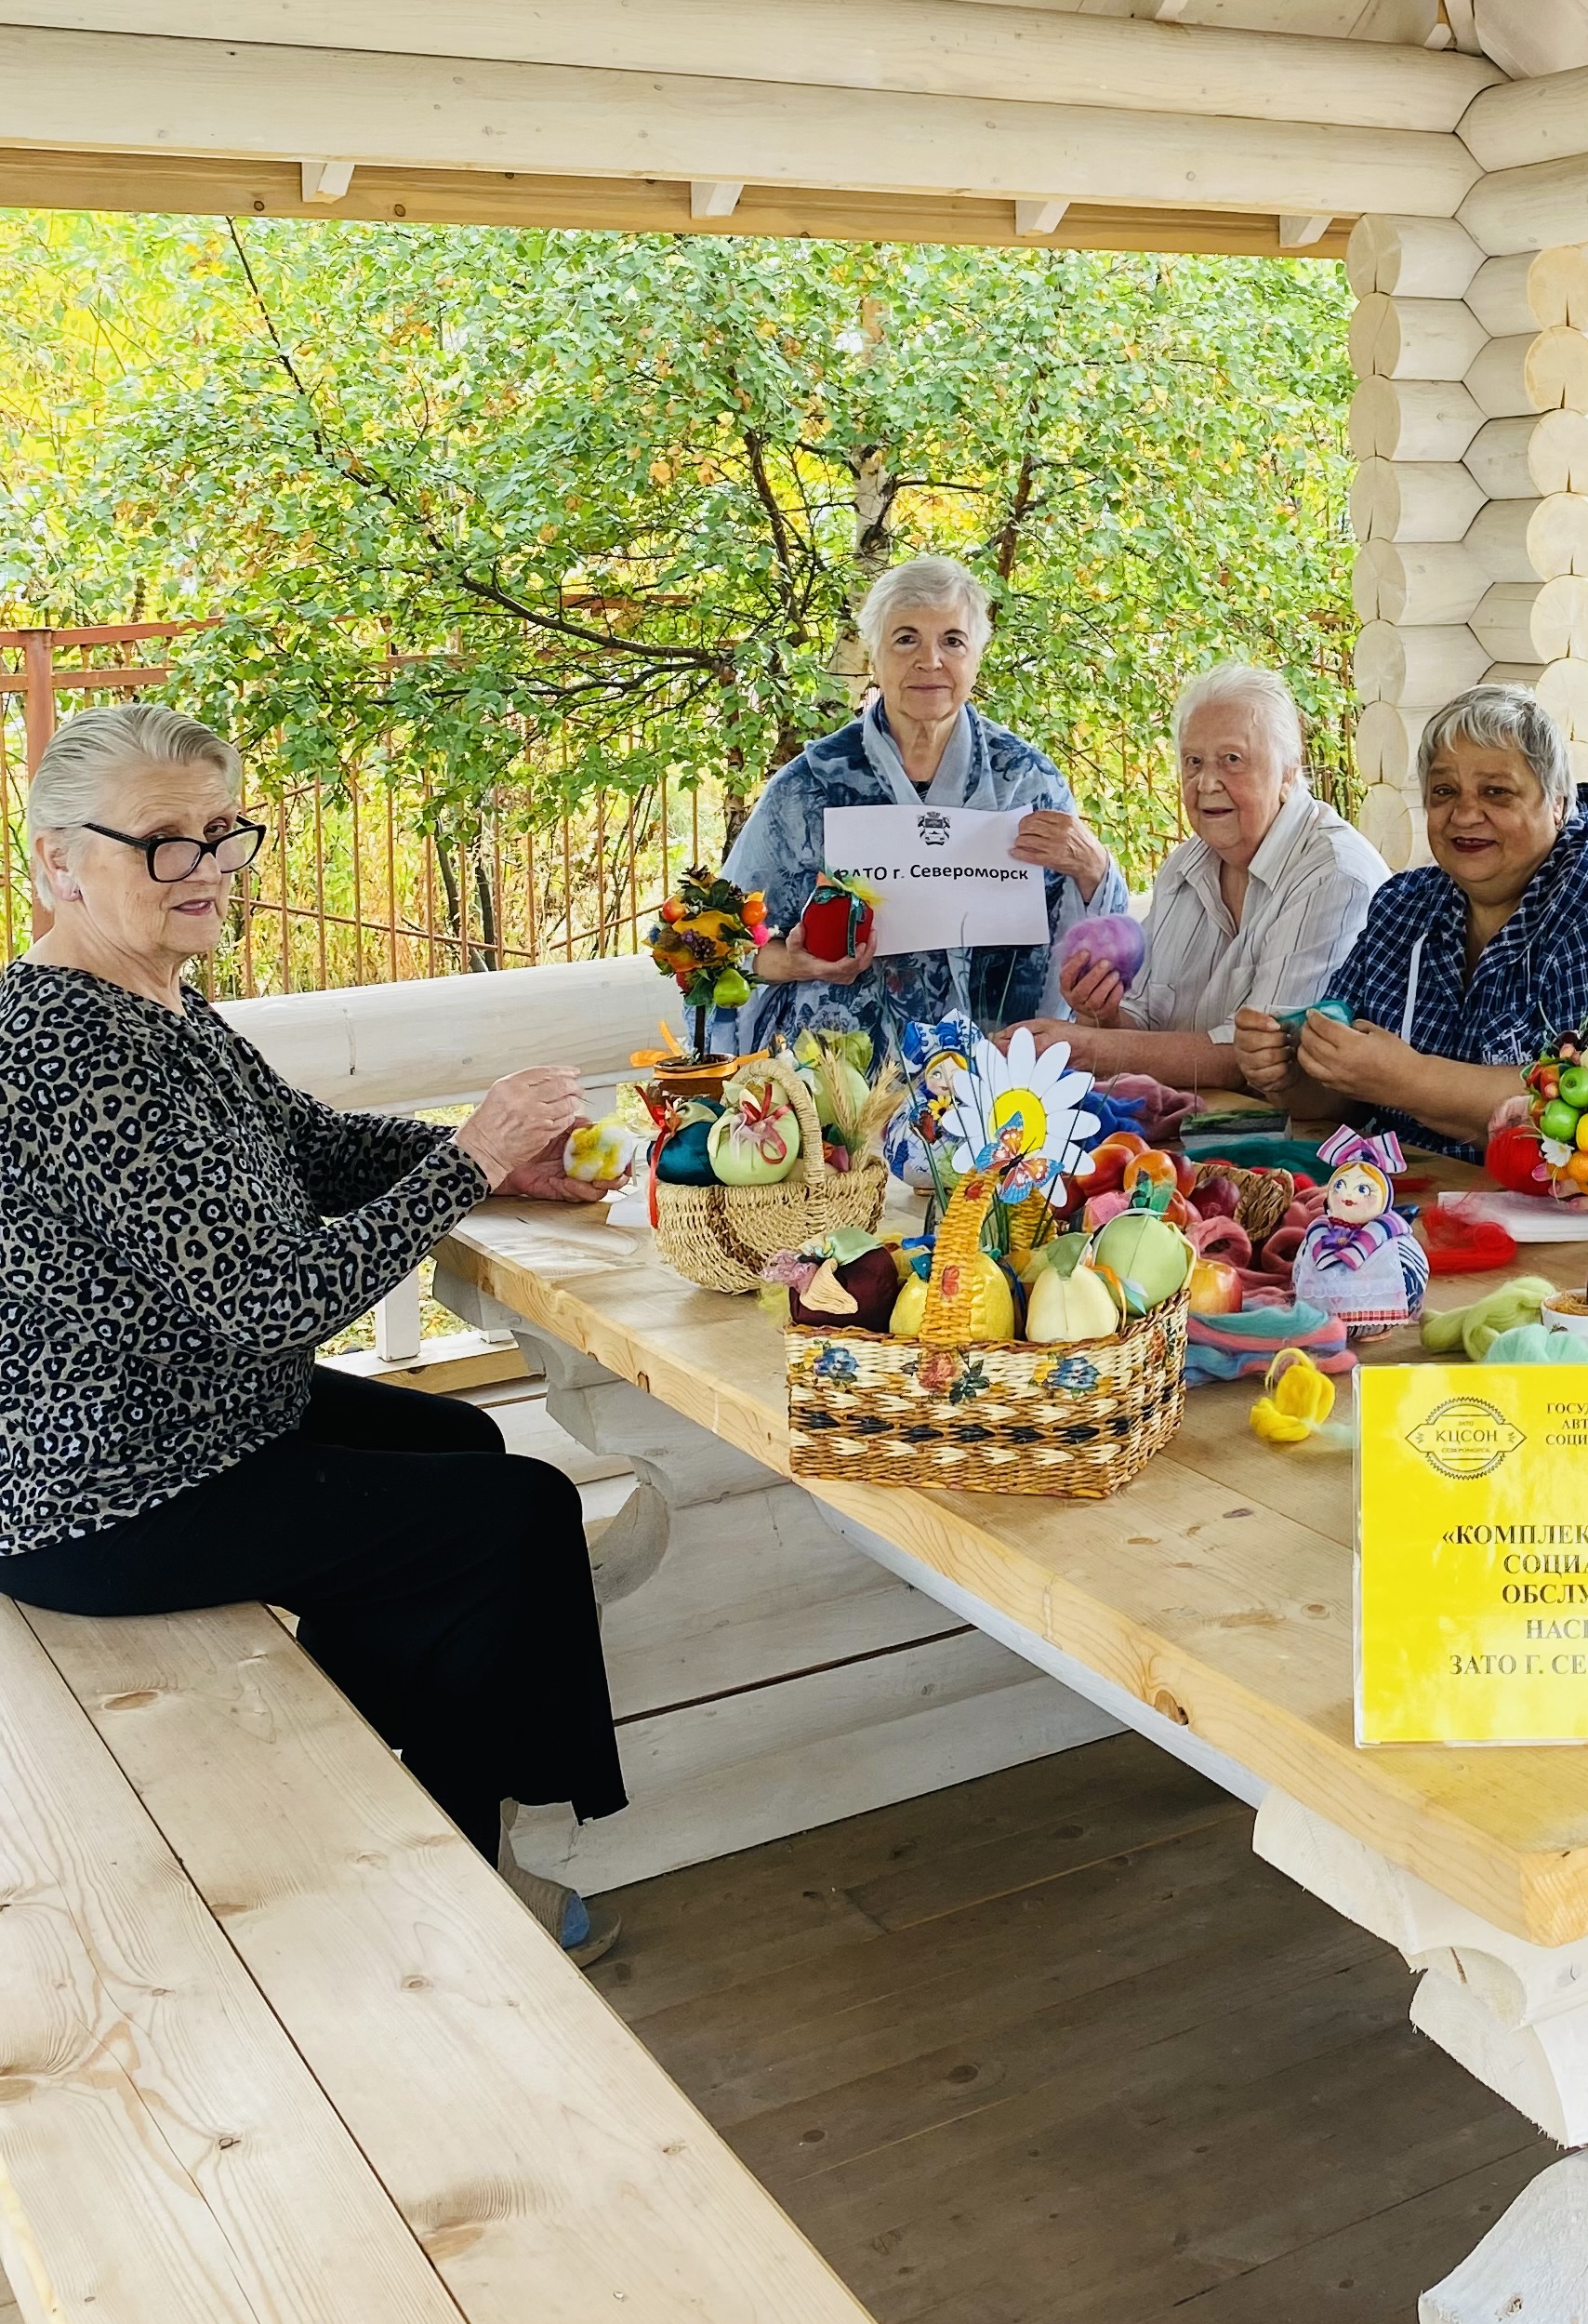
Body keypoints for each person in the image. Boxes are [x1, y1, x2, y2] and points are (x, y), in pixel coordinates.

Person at [0, 705, 629, 1964]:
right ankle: (451, 1871)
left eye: (223, 833)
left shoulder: (151, 1001)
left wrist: (505, 1170)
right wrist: (465, 1159)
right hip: (103, 1494)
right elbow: (270, 1302)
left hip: (205, 1416)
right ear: (58, 863)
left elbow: (312, 1142)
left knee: (461, 1446)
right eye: (165, 842)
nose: (211, 868)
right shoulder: (69, 1049)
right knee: (499, 1522)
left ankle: (417, 1792)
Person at [1235, 685, 1588, 1160]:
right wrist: (1291, 1072)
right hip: (1393, 1195)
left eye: (1496, 792)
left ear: (1558, 802)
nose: (1463, 814)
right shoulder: (1405, 905)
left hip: (1552, 1220)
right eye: (1444, 791)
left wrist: (1409, 1080)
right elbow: (1342, 1102)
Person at [720, 553, 1128, 1056]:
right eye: (906, 638)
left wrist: (1093, 865)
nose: (929, 661)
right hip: (836, 1085)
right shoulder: (810, 787)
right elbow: (719, 940)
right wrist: (793, 962)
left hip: (996, 1084)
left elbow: (1101, 940)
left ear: (977, 657)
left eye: (952, 641)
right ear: (874, 656)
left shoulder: (1025, 782)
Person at [1050, 661, 1385, 1088]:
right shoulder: (1184, 866)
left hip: (1294, 1145)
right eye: (1193, 762)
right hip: (1182, 1131)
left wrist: (1089, 1046)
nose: (1207, 782)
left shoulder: (1334, 875)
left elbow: (1262, 1060)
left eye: (1232, 760)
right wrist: (1102, 1012)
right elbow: (1143, 1017)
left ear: (1287, 772)